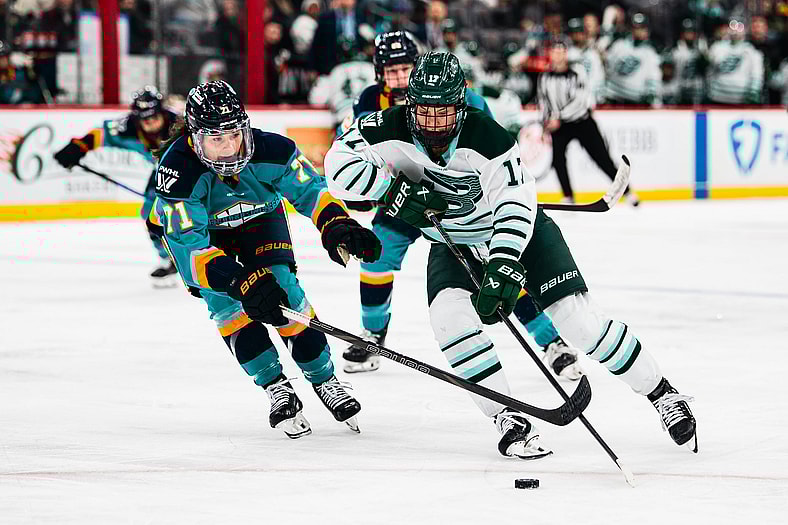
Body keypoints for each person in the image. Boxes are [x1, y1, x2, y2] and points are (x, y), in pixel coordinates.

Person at [324, 52, 698, 459]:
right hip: (453, 242)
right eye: (424, 112)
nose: (432, 124)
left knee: (578, 325)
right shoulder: (384, 125)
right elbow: (336, 165)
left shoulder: (489, 137)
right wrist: (390, 189)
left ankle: (662, 393)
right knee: (449, 321)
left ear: (462, 105)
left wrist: (503, 262)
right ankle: (508, 415)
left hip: (523, 236)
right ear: (409, 104)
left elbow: (516, 205)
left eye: (443, 112)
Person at [341, 35, 582, 384]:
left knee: (495, 268)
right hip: (404, 199)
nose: (398, 79)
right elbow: (367, 153)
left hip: (461, 206)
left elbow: (487, 160)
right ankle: (372, 336)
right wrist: (382, 188)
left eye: (405, 69)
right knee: (377, 256)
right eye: (391, 71)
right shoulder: (369, 102)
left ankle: (551, 341)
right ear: (379, 73)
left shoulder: (465, 100)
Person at [149, 80, 381, 438]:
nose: (228, 148)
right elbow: (188, 246)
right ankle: (275, 386)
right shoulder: (177, 171)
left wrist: (337, 224)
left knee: (285, 293)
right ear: (195, 137)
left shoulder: (274, 148)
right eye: (216, 139)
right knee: (228, 307)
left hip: (261, 222)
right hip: (210, 240)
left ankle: (325, 379)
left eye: (234, 135)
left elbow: (311, 191)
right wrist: (234, 280)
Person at [53, 86, 182, 286]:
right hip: (162, 170)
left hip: (190, 169)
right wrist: (79, 147)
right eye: (144, 118)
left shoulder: (180, 123)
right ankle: (170, 259)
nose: (150, 122)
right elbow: (102, 134)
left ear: (162, 111)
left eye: (154, 116)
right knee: (150, 211)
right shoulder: (128, 127)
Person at [538, 36, 639, 206]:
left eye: (562, 51)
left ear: (566, 54)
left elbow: (580, 100)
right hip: (559, 126)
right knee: (557, 160)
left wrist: (559, 118)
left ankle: (627, 191)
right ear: (550, 54)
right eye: (555, 51)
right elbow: (543, 101)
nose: (558, 55)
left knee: (601, 158)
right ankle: (568, 195)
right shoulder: (545, 77)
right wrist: (545, 124)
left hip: (582, 122)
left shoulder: (577, 71)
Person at [604, 12, 661, 106]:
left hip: (635, 101)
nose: (638, 31)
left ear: (647, 30)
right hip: (613, 98)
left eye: (641, 28)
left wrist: (651, 94)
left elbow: (654, 77)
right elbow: (606, 67)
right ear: (630, 29)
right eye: (636, 28)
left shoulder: (650, 52)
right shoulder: (618, 45)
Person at [707, 19, 764, 105]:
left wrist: (754, 91)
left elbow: (756, 73)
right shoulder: (717, 47)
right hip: (717, 96)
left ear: (745, 31)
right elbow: (709, 70)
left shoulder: (751, 51)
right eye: (733, 27)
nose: (735, 31)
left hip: (741, 99)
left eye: (739, 28)